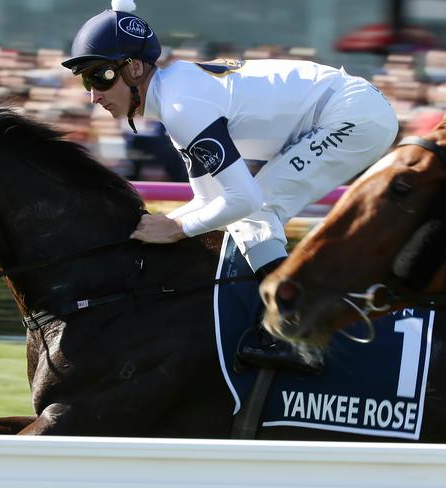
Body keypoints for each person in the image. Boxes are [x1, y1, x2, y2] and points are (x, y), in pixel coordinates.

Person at [62, 0, 399, 373]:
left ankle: (296, 335)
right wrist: (151, 228)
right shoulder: (175, 101)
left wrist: (176, 227)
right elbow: (210, 200)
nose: (93, 95)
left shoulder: (180, 106)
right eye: (86, 81)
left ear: (135, 68)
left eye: (100, 77)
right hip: (350, 109)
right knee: (250, 213)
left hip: (352, 114)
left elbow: (244, 199)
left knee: (256, 214)